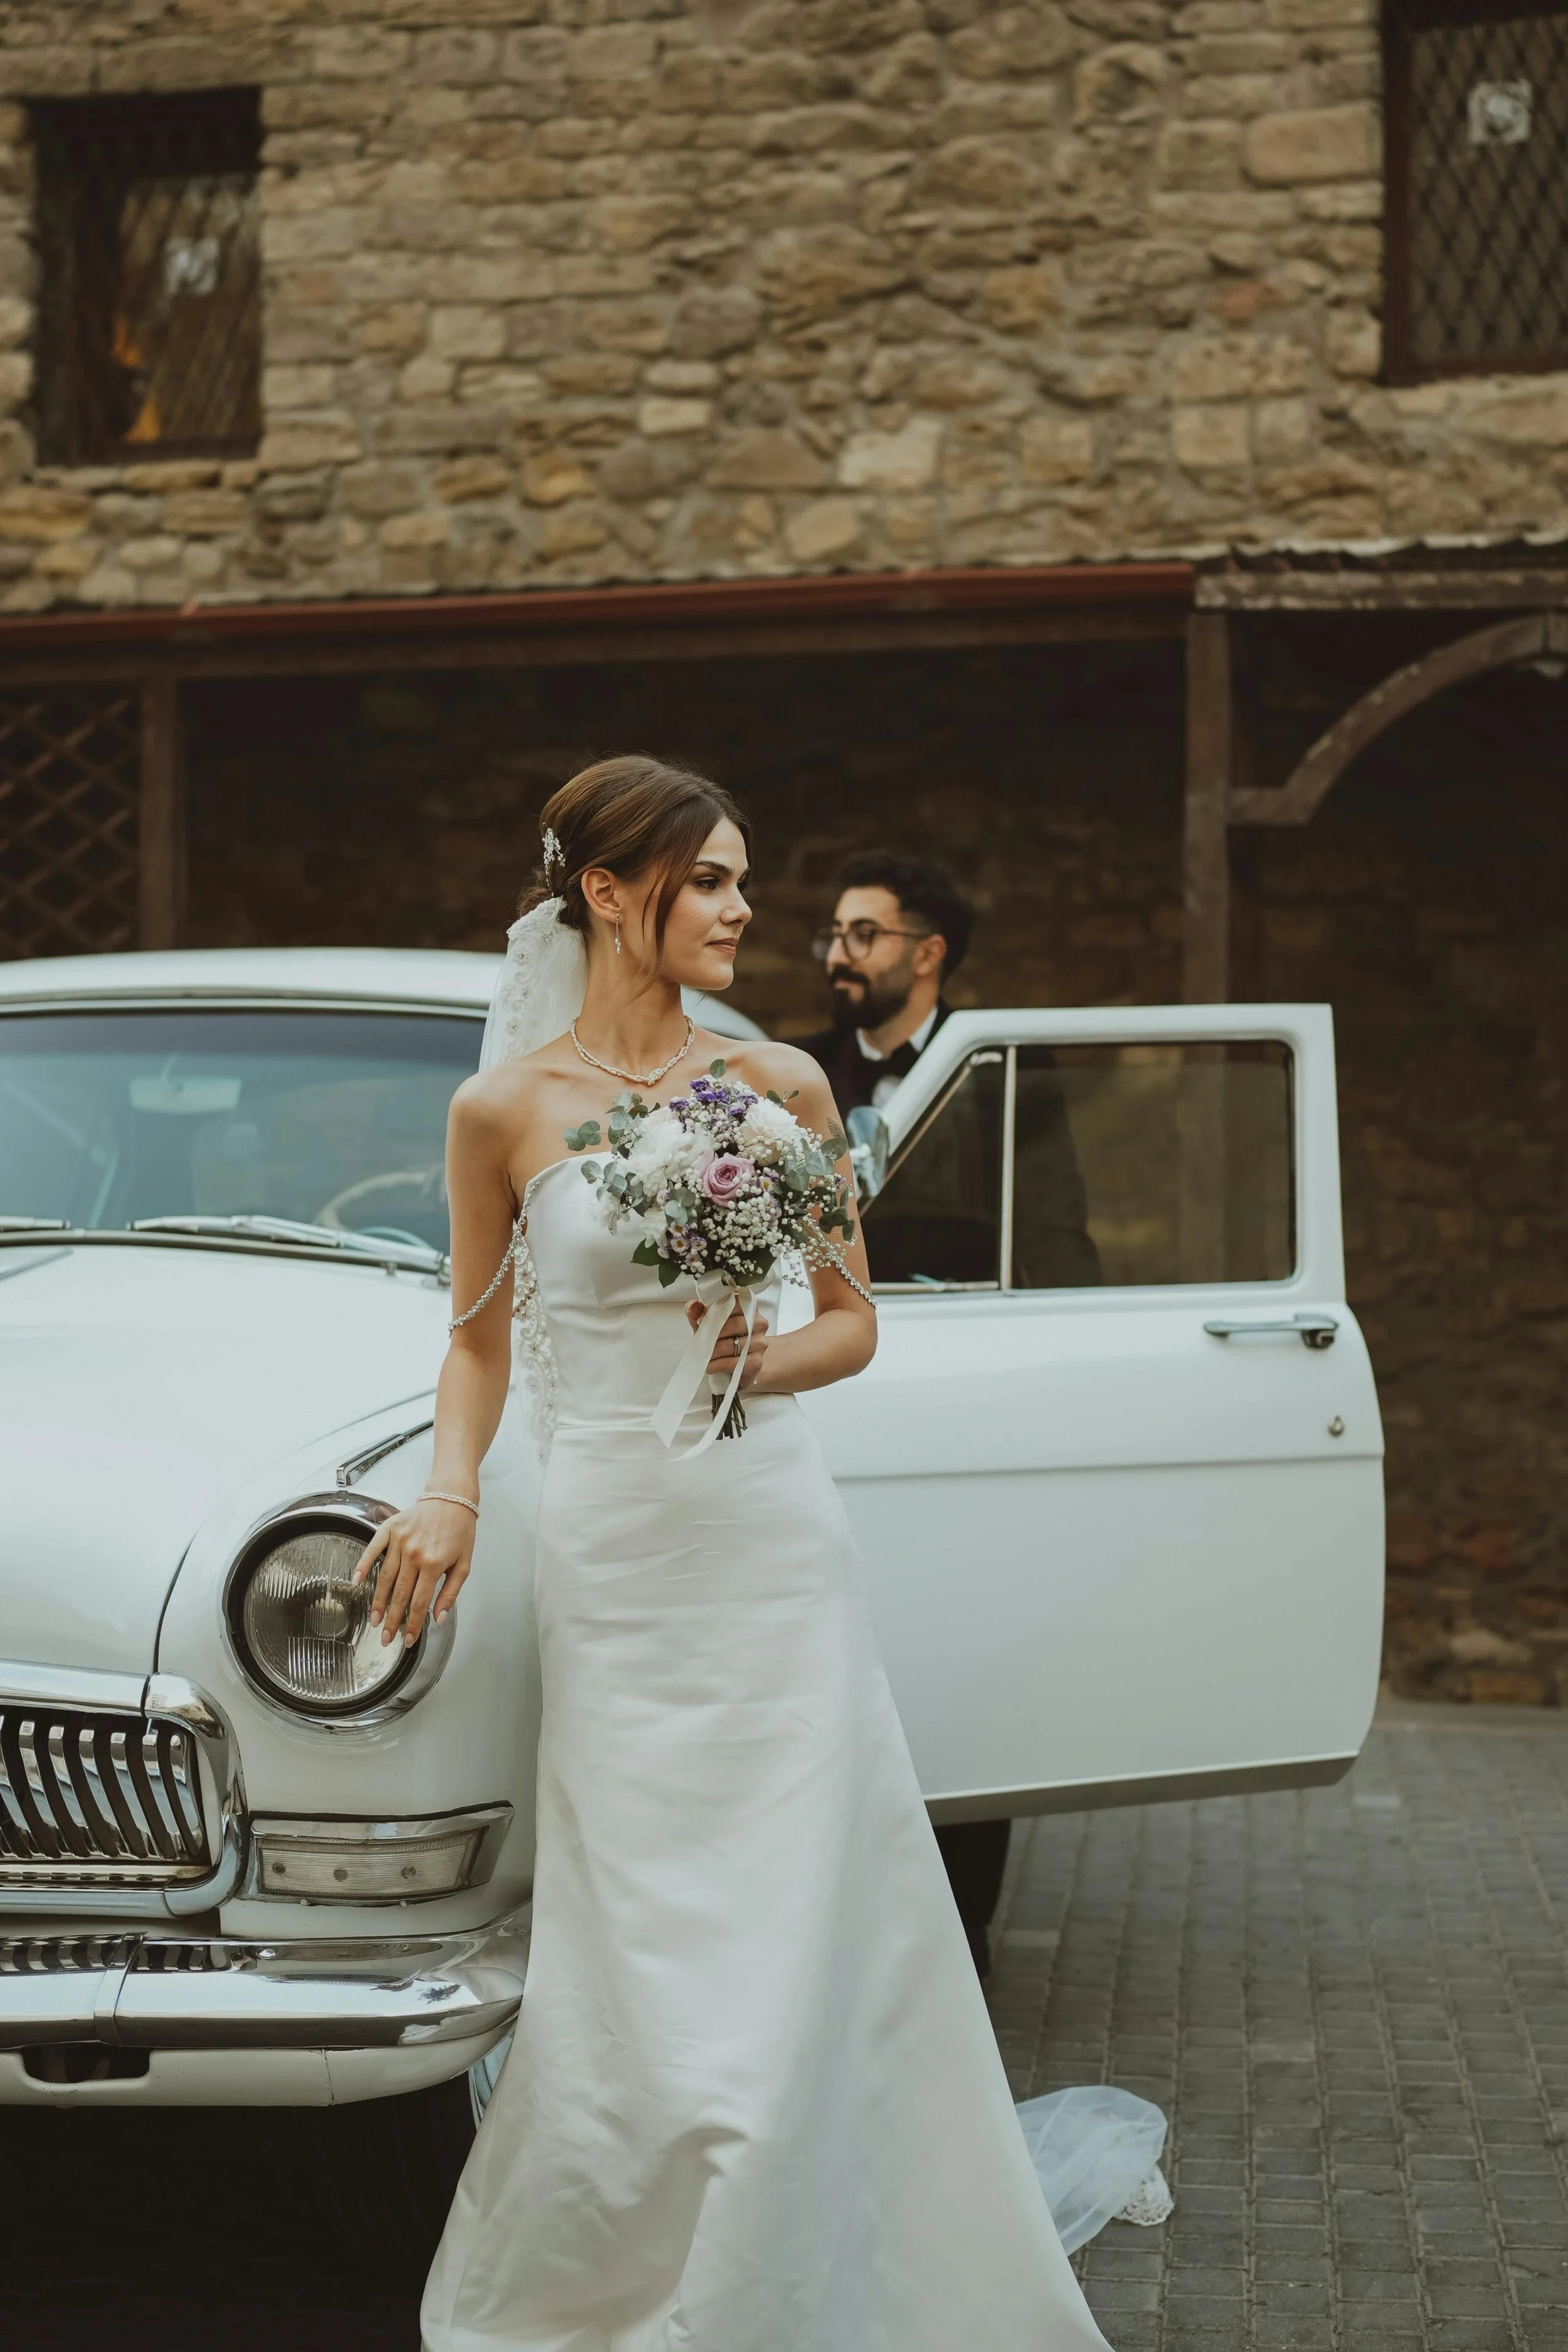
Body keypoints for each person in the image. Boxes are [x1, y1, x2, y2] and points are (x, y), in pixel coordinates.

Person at [357, 758, 1115, 2352]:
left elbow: (848, 1326)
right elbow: (477, 1350)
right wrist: (449, 1494)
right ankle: (630, 2257)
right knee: (642, 1923)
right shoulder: (499, 1110)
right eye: (709, 880)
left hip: (768, 1546)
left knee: (795, 1905)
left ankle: (783, 2260)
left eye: (741, 880)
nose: (744, 909)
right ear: (610, 896)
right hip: (616, 1559)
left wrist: (739, 1362)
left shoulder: (781, 1089)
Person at [798, 850, 1014, 1979]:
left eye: (864, 936)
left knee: (950, 1658)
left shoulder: (993, 1076)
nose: (840, 955)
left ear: (927, 953)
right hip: (818, 1393)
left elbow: (1051, 1240)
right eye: (834, 934)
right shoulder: (798, 1071)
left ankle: (959, 1941)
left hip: (950, 1402)